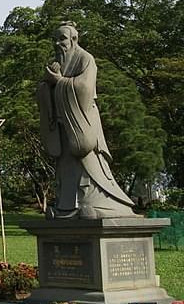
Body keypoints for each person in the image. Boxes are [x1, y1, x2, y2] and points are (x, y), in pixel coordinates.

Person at [37, 22, 135, 219]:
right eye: (54, 40)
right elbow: (43, 92)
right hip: (63, 127)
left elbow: (85, 89)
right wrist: (47, 85)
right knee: (66, 166)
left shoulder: (85, 59)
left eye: (62, 38)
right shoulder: (56, 64)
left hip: (82, 123)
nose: (57, 43)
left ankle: (96, 200)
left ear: (74, 39)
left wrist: (59, 82)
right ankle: (67, 205)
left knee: (88, 163)